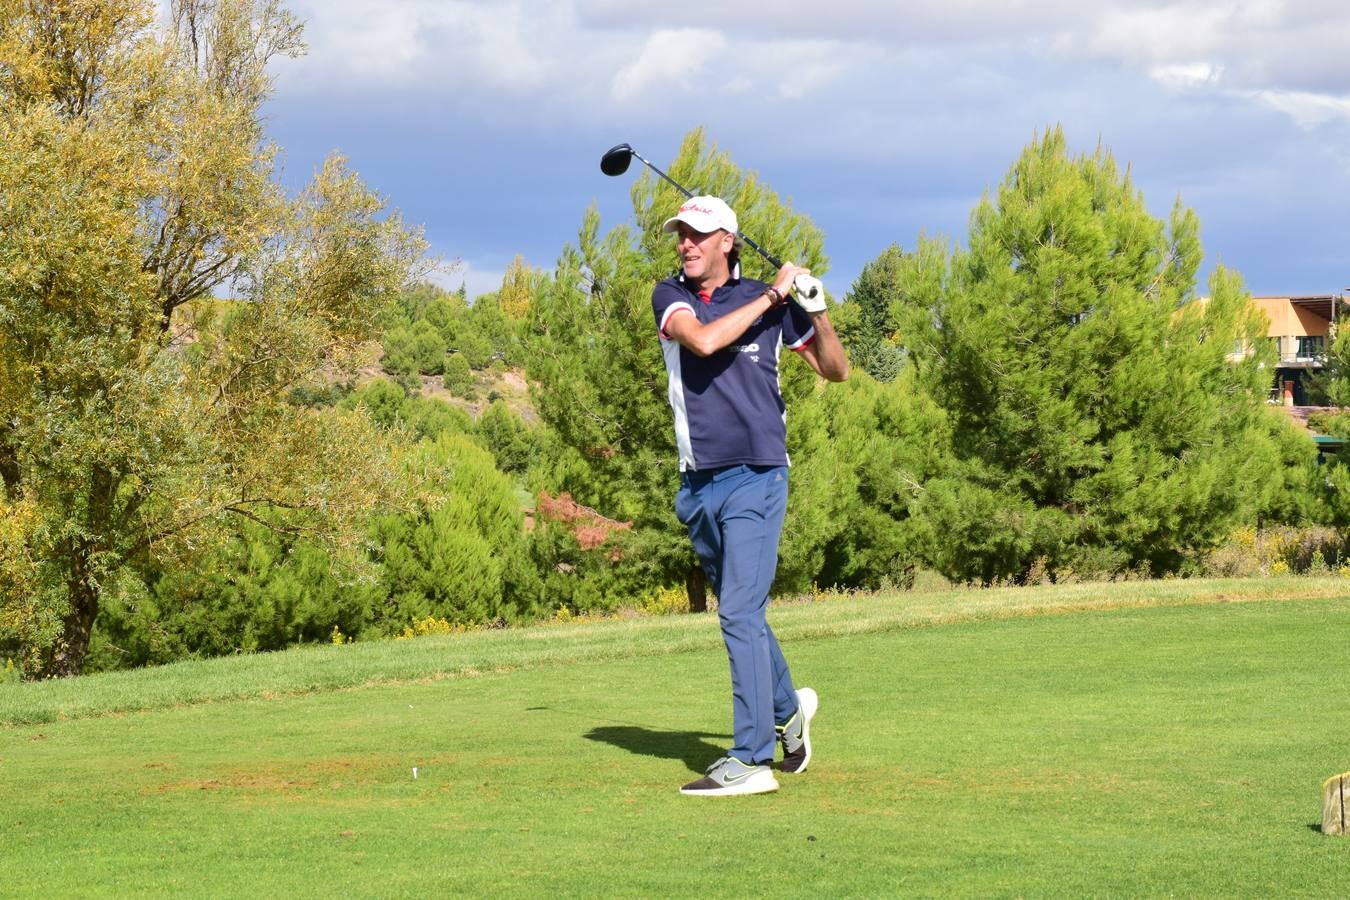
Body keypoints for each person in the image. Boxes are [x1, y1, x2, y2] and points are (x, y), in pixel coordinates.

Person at [650, 195, 848, 796]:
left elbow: (835, 370)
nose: (687, 244)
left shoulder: (771, 300)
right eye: (682, 234)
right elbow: (704, 343)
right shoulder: (671, 296)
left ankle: (751, 759)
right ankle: (789, 713)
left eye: (699, 235)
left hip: (759, 474)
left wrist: (816, 312)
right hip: (698, 481)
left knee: (738, 611)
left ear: (728, 241)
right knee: (746, 614)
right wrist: (775, 297)